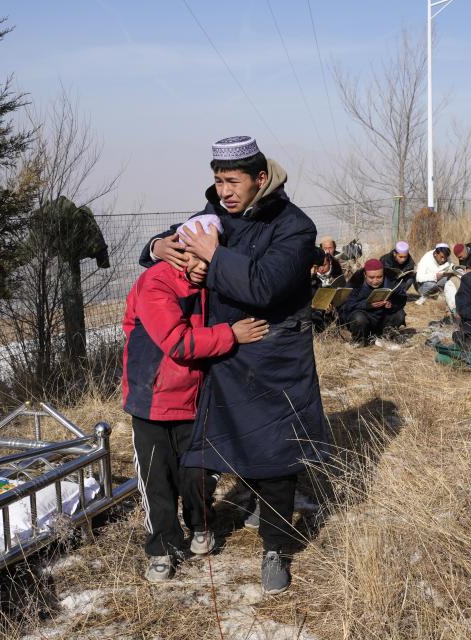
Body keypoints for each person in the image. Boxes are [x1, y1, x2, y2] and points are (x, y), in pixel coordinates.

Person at [149, 136, 329, 594]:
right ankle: (238, 507)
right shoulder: (211, 218)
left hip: (275, 354)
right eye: (217, 181)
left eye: (233, 182)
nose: (224, 191)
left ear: (260, 179)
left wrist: (212, 256)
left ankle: (276, 546)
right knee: (230, 447)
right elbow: (172, 246)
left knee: (276, 455)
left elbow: (266, 286)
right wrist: (157, 247)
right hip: (224, 354)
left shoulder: (294, 227)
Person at [124, 215, 269, 582]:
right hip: (152, 400)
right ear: (178, 252)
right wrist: (230, 335)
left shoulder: (213, 284)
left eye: (209, 259)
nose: (202, 268)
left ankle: (201, 525)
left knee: (198, 474)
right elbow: (177, 341)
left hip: (196, 397)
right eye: (194, 257)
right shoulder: (155, 283)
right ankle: (163, 547)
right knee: (157, 478)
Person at [340, 258, 407, 346]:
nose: (375, 281)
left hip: (383, 318)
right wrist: (367, 305)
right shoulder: (356, 283)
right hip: (365, 318)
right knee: (358, 318)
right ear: (365, 275)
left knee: (400, 314)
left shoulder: (391, 280)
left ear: (383, 274)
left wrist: (391, 304)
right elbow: (347, 306)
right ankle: (360, 339)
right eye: (371, 277)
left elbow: (402, 299)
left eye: (379, 277)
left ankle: (386, 336)